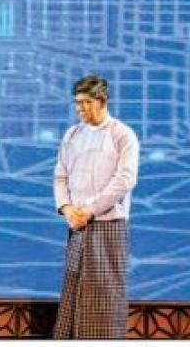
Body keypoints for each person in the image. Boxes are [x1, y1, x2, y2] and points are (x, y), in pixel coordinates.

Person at [52, 75, 139, 339]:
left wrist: (90, 210)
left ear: (101, 101)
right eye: (77, 103)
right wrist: (67, 208)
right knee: (75, 286)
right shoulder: (72, 134)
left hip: (108, 225)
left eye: (86, 102)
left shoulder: (122, 134)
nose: (80, 108)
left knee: (104, 292)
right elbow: (60, 176)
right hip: (76, 224)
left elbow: (125, 180)